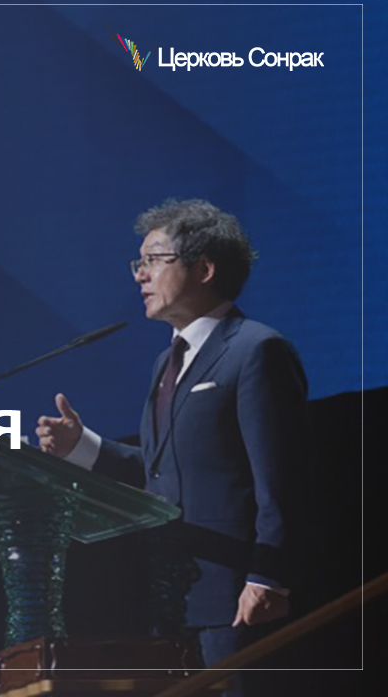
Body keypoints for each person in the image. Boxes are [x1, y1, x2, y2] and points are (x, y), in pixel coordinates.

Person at [36, 199, 309, 695]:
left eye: (153, 260)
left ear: (204, 269)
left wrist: (269, 577)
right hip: (174, 596)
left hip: (237, 597)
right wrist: (84, 447)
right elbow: (164, 473)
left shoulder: (256, 350)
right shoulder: (166, 362)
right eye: (138, 263)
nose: (140, 275)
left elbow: (282, 479)